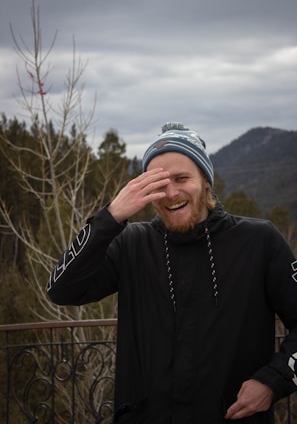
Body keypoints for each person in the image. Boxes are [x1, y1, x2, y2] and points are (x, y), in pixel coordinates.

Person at [46, 123, 297, 423]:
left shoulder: (259, 241)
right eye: (158, 183)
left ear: (205, 180)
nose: (170, 192)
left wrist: (274, 380)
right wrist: (109, 218)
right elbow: (61, 290)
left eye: (181, 178)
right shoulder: (131, 243)